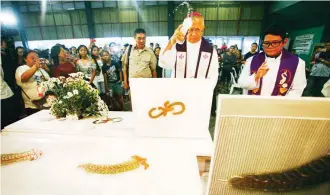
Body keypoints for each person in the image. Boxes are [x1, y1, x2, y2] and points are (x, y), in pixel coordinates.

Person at [238, 26, 306, 96]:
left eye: (275, 43)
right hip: (254, 103)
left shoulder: (297, 63)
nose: (270, 47)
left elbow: (297, 89)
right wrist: (256, 76)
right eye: (266, 43)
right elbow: (241, 83)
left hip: (280, 105)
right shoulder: (251, 60)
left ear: (284, 42)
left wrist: (281, 104)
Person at [159, 11, 218, 88]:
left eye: (197, 30)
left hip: (199, 93)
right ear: (185, 28)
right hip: (179, 92)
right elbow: (164, 63)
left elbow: (213, 76)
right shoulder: (177, 45)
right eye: (190, 29)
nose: (193, 34)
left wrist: (204, 91)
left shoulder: (210, 50)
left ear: (203, 29)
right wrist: (171, 41)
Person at [15, 50, 50, 116]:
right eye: (32, 58)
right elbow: (23, 78)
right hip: (33, 106)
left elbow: (48, 80)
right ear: (25, 59)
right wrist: (36, 66)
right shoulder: (21, 68)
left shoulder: (40, 69)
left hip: (46, 101)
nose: (36, 59)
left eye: (37, 57)